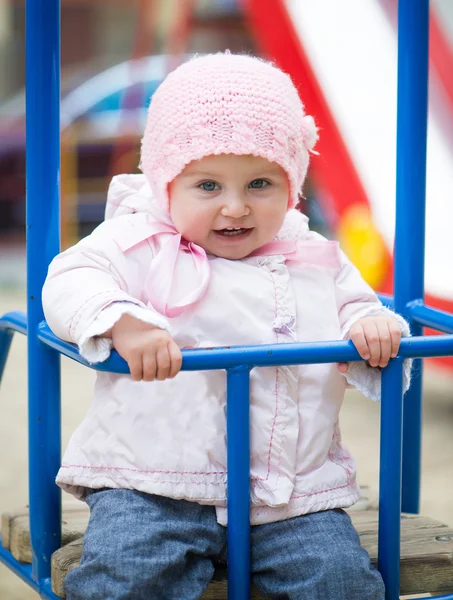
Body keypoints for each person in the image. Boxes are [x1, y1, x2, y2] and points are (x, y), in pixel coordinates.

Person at [42, 53, 411, 600]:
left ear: (292, 186)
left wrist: (373, 325)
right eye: (208, 186)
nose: (235, 208)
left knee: (340, 581)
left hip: (290, 493)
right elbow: (70, 279)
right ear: (166, 182)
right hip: (154, 482)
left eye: (260, 183)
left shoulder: (313, 254)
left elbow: (356, 304)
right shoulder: (139, 240)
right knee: (123, 579)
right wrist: (123, 322)